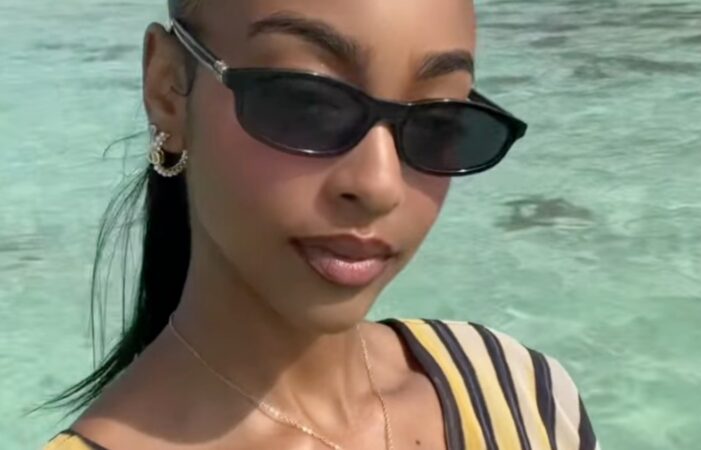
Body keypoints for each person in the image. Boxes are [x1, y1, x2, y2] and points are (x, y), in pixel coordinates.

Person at [43, 0, 599, 449]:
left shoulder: (524, 398)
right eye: (307, 102)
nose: (379, 185)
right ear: (168, 89)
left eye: (440, 120)